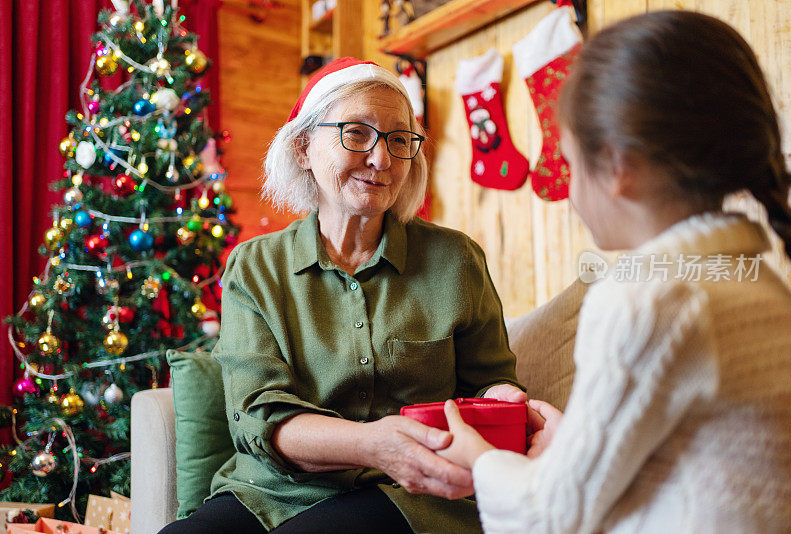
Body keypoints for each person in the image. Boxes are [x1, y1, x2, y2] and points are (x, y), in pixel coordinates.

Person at [438, 10, 791, 533]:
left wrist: (481, 460)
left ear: (619, 168)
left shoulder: (650, 298)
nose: (570, 196)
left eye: (568, 161)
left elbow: (548, 519)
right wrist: (575, 441)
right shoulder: (757, 286)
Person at [160, 58, 529, 534]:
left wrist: (510, 403)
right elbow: (260, 417)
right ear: (303, 149)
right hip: (271, 489)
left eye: (400, 140)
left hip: (409, 492)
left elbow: (490, 383)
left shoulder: (455, 259)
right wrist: (371, 442)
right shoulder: (254, 267)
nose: (382, 160)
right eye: (357, 133)